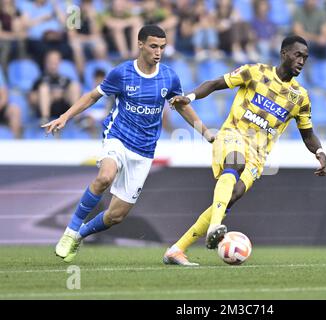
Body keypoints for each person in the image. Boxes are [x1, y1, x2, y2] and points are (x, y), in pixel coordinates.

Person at [42, 25, 215, 263]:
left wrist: (205, 133)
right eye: (154, 46)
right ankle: (70, 230)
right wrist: (65, 117)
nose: (158, 52)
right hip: (118, 137)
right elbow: (93, 96)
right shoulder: (121, 73)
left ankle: (79, 235)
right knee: (105, 176)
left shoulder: (169, 76)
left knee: (116, 216)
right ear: (141, 44)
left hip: (144, 150)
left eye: (162, 47)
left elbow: (181, 106)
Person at [164, 35, 326, 266]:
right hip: (233, 134)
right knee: (234, 163)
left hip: (258, 155)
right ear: (284, 54)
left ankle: (176, 250)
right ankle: (215, 228)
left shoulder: (300, 97)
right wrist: (189, 97)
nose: (302, 61)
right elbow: (214, 84)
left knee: (231, 197)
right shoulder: (255, 72)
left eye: (305, 57)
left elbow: (308, 134)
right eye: (297, 55)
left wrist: (319, 153)